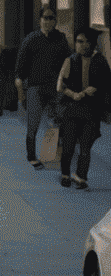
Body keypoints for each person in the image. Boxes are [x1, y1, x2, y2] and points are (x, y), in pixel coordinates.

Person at [15, 7, 72, 168]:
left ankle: (48, 154)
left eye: (51, 18)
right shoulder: (31, 39)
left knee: (54, 122)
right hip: (36, 88)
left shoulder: (60, 39)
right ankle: (31, 155)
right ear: (40, 20)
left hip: (55, 88)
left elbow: (68, 61)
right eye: (45, 18)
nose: (47, 21)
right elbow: (21, 65)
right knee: (33, 123)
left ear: (55, 21)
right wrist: (20, 84)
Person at [55, 30, 110, 189]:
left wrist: (92, 91)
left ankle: (81, 177)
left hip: (91, 111)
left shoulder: (99, 61)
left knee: (85, 148)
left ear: (90, 43)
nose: (80, 44)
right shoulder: (70, 60)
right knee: (68, 146)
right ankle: (65, 175)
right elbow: (60, 85)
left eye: (83, 41)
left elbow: (106, 83)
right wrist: (74, 94)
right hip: (72, 110)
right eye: (78, 41)